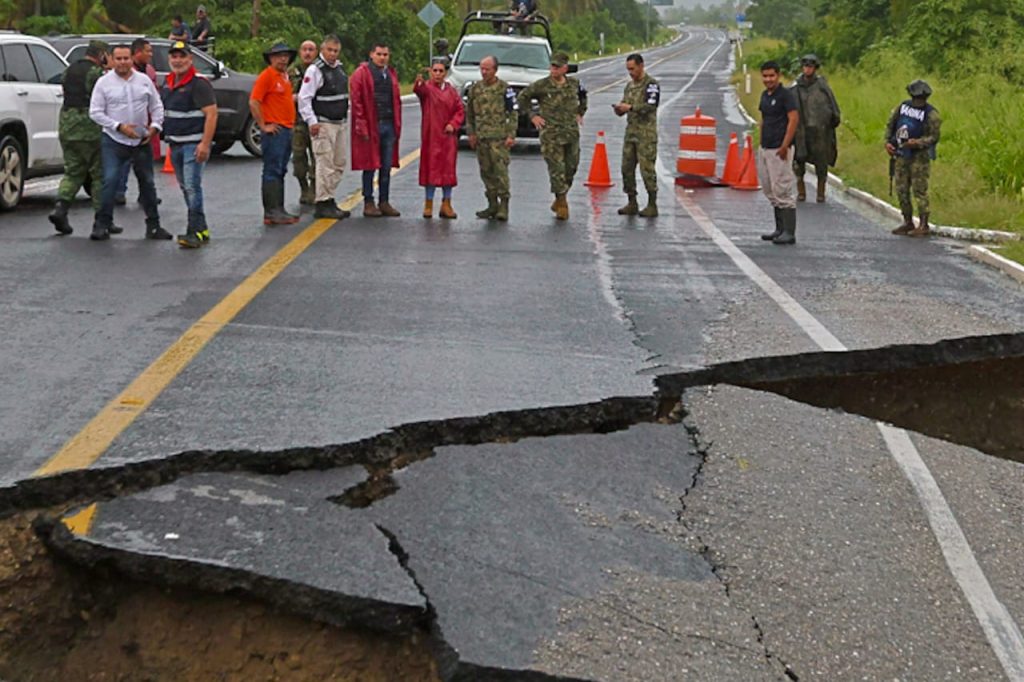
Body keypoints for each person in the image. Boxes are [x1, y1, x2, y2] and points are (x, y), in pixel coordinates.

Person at [88, 44, 168, 241]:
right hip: (114, 140)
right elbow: (95, 112)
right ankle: (102, 224)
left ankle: (154, 226)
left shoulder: (144, 81)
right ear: (112, 60)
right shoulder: (103, 83)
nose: (122, 63)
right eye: (118, 59)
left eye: (126, 58)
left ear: (132, 59)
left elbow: (157, 105)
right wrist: (119, 126)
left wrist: (155, 126)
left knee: (148, 182)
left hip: (141, 141)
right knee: (110, 181)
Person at [517, 52, 587, 221]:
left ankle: (560, 197)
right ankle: (562, 203)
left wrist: (580, 112)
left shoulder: (574, 84)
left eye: (557, 67)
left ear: (565, 68)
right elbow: (522, 98)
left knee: (571, 168)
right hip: (551, 135)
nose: (553, 70)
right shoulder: (542, 85)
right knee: (557, 170)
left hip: (571, 133)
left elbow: (583, 96)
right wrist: (532, 116)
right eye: (552, 66)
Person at [161, 41, 217, 249]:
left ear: (190, 59)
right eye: (174, 56)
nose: (178, 61)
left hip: (193, 144)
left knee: (192, 187)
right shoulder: (168, 83)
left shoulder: (199, 84)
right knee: (186, 187)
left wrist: (205, 144)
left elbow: (211, 114)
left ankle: (194, 231)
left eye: (182, 56)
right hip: (175, 144)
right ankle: (202, 229)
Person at [49, 40, 108, 236]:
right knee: (99, 174)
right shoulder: (96, 74)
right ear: (101, 55)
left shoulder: (69, 70)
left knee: (73, 171)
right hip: (89, 126)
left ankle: (61, 208)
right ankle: (102, 219)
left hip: (67, 124)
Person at [297, 35, 351, 220]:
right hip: (323, 124)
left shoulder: (340, 69)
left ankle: (329, 197)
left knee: (339, 163)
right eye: (329, 50)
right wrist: (312, 121)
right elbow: (304, 98)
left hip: (339, 123)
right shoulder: (315, 70)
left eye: (336, 51)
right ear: (322, 50)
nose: (332, 54)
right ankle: (322, 202)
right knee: (324, 164)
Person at [349, 42, 402, 217]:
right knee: (369, 165)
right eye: (379, 54)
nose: (382, 58)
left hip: (389, 124)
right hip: (372, 124)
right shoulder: (361, 74)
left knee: (386, 166)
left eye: (385, 54)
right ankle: (368, 201)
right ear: (371, 54)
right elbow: (356, 101)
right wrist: (361, 124)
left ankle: (384, 201)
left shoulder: (391, 73)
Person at [250, 42, 300, 225]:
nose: (283, 59)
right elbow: (254, 101)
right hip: (275, 131)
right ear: (271, 58)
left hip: (286, 129)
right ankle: (271, 211)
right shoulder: (267, 76)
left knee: (280, 170)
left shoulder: (284, 77)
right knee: (272, 170)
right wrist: (263, 126)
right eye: (279, 56)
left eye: (285, 56)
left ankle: (278, 209)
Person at [886, 80, 941, 238]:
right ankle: (907, 221)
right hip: (901, 154)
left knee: (919, 190)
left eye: (921, 99)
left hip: (919, 157)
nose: (918, 101)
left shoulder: (931, 114)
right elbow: (891, 124)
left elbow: (934, 137)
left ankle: (923, 224)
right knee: (901, 189)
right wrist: (888, 142)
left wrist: (917, 143)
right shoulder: (902, 107)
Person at [465, 55, 517, 221]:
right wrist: (471, 133)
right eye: (482, 69)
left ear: (495, 70)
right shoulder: (475, 89)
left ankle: (504, 205)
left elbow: (513, 112)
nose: (484, 72)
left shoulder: (504, 88)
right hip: (482, 138)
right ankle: (492, 204)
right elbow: (469, 113)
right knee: (486, 172)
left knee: (500, 172)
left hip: (499, 138)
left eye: (487, 69)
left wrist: (511, 134)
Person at [414, 60, 465, 219]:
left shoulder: (452, 91)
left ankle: (446, 203)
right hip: (431, 136)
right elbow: (420, 91)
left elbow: (460, 110)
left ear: (445, 73)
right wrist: (419, 83)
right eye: (434, 70)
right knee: (430, 169)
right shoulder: (427, 89)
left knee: (447, 170)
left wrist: (453, 124)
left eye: (441, 71)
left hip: (448, 137)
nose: (437, 74)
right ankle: (428, 203)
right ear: (430, 72)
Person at [757, 60, 799, 245]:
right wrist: (761, 143)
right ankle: (779, 229)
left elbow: (793, 119)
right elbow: (763, 119)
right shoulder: (764, 96)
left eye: (771, 76)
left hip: (780, 148)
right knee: (769, 188)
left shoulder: (786, 95)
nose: (768, 79)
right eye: (765, 76)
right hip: (766, 147)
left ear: (778, 75)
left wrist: (785, 145)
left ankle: (789, 232)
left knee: (782, 188)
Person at [115, 38, 160, 206]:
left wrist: (155, 122)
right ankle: (119, 192)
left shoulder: (149, 71)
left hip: (145, 123)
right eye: (148, 51)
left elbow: (155, 98)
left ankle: (146, 194)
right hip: (125, 125)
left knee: (145, 161)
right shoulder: (126, 72)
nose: (151, 54)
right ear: (138, 52)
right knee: (124, 160)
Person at [613, 52, 660, 218]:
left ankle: (652, 204)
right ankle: (632, 201)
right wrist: (620, 109)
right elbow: (625, 104)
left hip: (646, 134)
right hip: (631, 133)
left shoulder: (651, 85)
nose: (630, 72)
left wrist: (631, 108)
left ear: (641, 66)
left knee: (647, 169)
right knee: (626, 168)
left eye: (633, 69)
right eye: (628, 69)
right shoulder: (629, 86)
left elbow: (651, 106)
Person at [791, 54, 840, 203]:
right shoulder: (795, 87)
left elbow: (834, 109)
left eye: (810, 67)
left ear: (815, 68)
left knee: (821, 162)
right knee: (798, 161)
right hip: (801, 131)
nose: (807, 69)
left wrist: (830, 123)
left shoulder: (822, 86)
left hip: (820, 132)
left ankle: (820, 192)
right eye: (805, 66)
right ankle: (801, 191)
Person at [289, 40, 318, 206]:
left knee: (317, 157)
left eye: (311, 50)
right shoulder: (291, 72)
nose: (307, 53)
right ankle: (303, 188)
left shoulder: (319, 71)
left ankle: (314, 189)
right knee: (298, 157)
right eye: (305, 49)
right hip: (297, 122)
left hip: (316, 120)